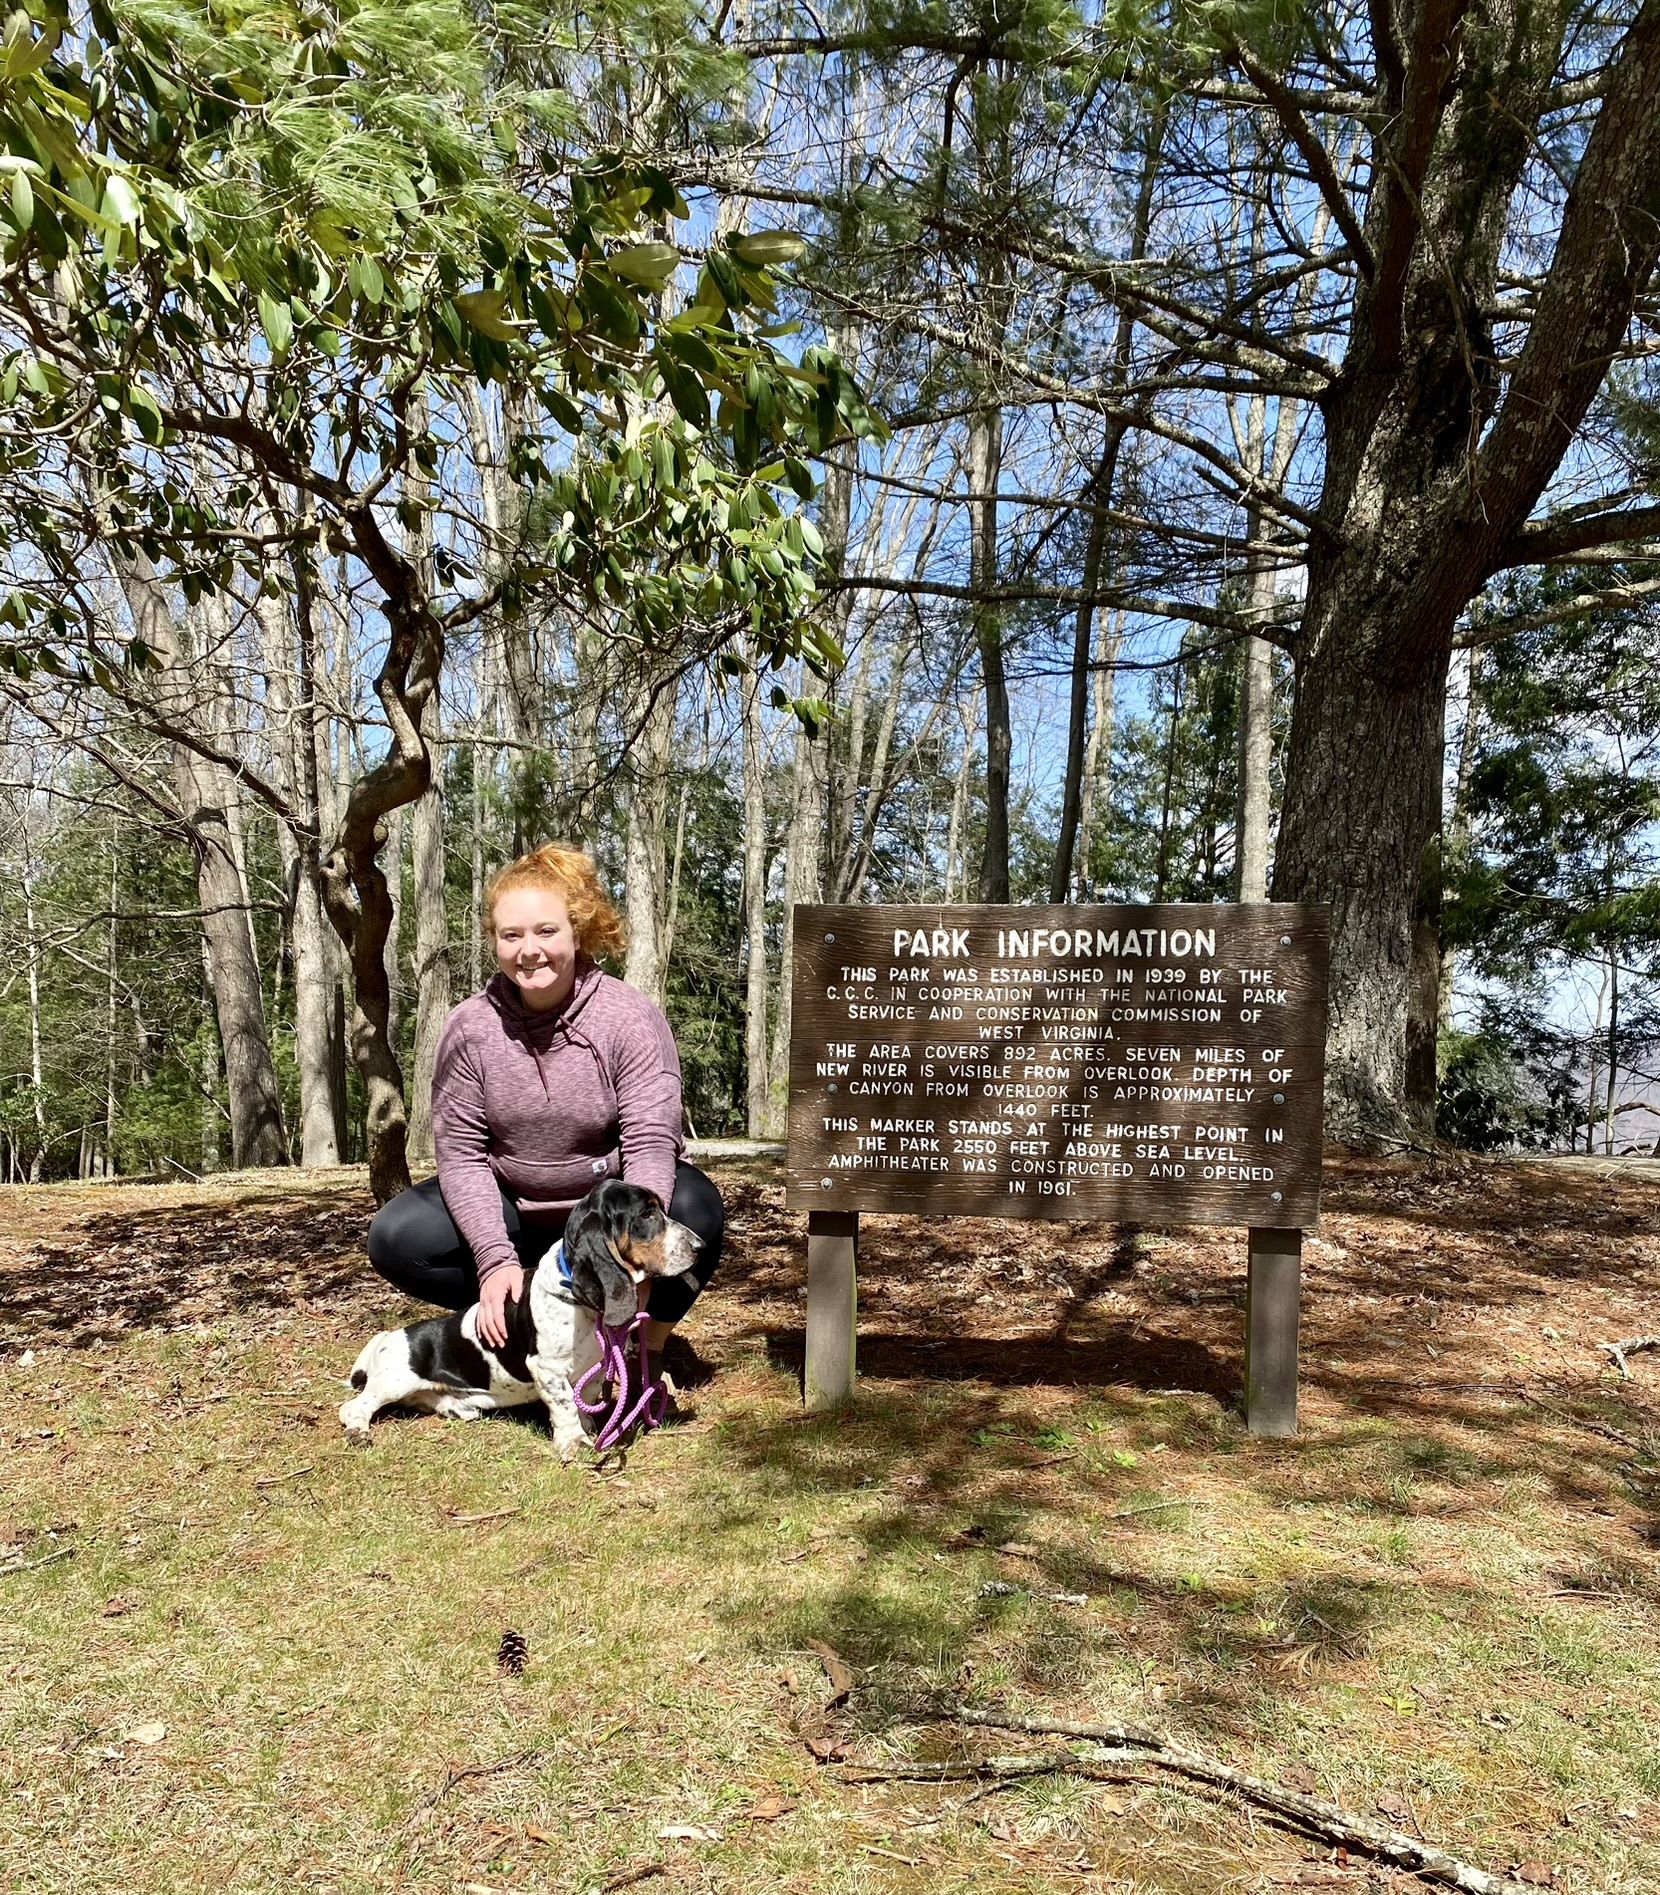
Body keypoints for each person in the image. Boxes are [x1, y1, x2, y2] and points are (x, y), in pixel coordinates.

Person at [365, 844, 723, 1377]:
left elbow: (650, 1140)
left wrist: (638, 1260)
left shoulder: (628, 1017)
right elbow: (461, 1155)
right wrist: (493, 1258)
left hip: (605, 1213)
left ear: (577, 932)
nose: (529, 951)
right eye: (511, 935)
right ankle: (528, 1327)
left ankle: (643, 1347)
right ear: (495, 941)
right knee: (397, 1238)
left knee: (696, 1206)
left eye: (546, 931)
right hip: (514, 1211)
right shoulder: (469, 1028)